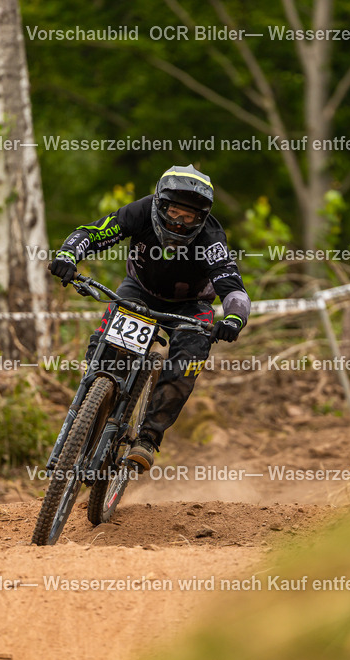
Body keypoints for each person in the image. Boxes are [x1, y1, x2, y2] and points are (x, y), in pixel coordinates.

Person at [48, 164, 249, 472]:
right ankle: (95, 401)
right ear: (160, 204)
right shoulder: (140, 211)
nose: (180, 223)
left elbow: (233, 287)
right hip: (139, 290)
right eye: (175, 213)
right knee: (106, 350)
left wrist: (234, 319)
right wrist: (67, 255)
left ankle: (148, 438)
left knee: (190, 356)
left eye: (189, 217)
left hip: (191, 305)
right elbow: (93, 232)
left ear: (202, 218)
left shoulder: (211, 238)